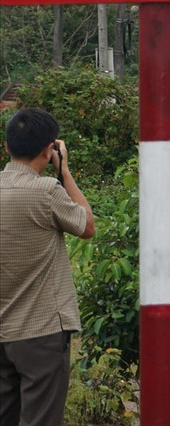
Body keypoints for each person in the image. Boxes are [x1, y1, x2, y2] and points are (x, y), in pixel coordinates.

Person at [1, 108, 96, 426]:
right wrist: (64, 171)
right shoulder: (46, 192)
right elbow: (86, 226)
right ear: (48, 149)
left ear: (6, 146)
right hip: (41, 332)